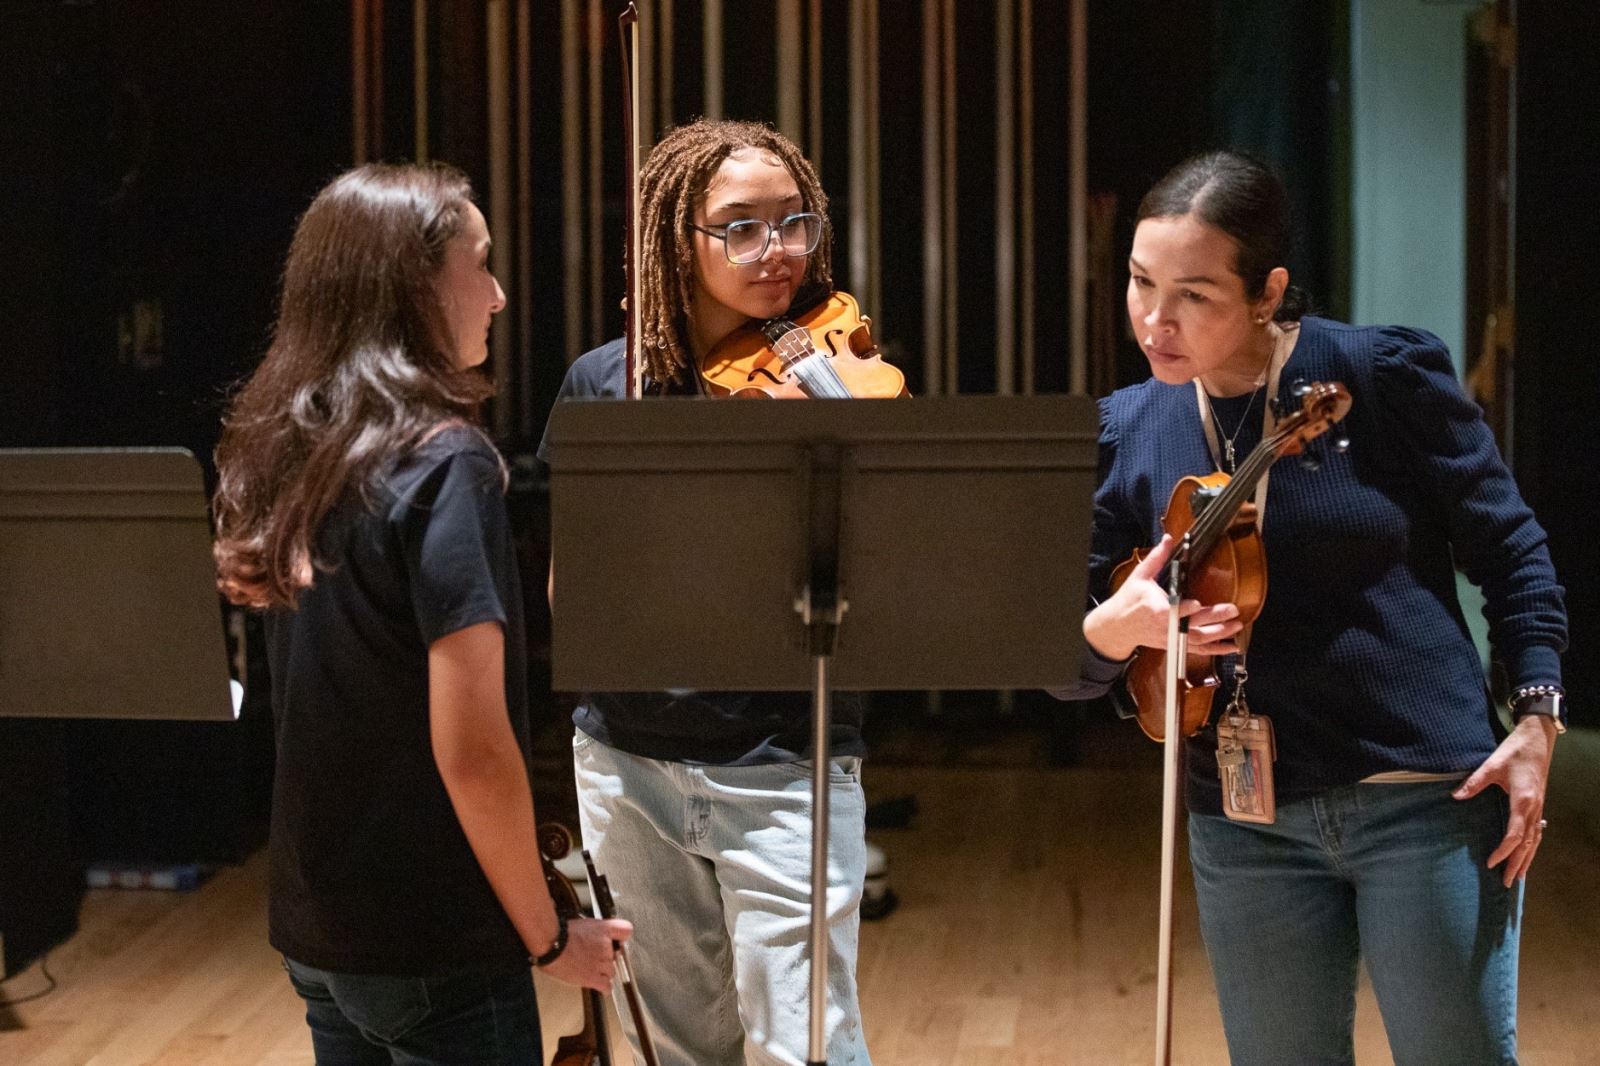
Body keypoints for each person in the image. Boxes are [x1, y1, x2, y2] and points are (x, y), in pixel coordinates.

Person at [1056, 151, 1567, 1065]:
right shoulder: (1129, 427)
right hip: (1245, 819)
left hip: (1424, 798)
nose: (1154, 320)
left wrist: (1536, 715)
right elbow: (1070, 656)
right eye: (1140, 283)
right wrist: (1118, 628)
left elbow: (1511, 548)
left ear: (1269, 292)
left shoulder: (1378, 377)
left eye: (1195, 295)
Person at [212, 162, 629, 1064]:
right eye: (480, 265)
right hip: (431, 938)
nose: (500, 294)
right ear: (414, 287)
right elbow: (474, 752)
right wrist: (549, 939)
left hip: (321, 929)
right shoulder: (447, 465)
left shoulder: (294, 448)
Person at [538, 119, 873, 1066]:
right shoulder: (608, 386)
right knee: (676, 1049)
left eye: (793, 223)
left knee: (810, 1047)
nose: (777, 252)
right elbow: (576, 592)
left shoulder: (836, 378)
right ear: (673, 240)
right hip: (627, 761)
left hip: (785, 761)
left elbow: (882, 573)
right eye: (741, 227)